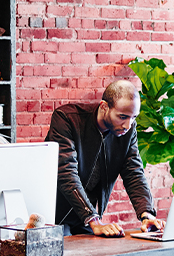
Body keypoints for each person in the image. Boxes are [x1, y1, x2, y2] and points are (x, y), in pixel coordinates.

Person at [46, 80, 166, 237]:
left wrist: (147, 214)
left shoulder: (128, 131)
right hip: (54, 215)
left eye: (133, 117)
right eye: (122, 116)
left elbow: (134, 172)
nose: (127, 125)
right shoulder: (67, 119)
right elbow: (65, 173)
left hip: (85, 218)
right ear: (104, 107)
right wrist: (93, 220)